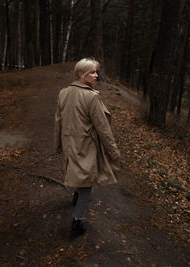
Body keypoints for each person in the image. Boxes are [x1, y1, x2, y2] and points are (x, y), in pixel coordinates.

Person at [54, 57, 121, 237]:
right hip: (85, 146)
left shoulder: (63, 92)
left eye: (96, 71)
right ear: (82, 74)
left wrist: (58, 144)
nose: (96, 75)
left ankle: (76, 196)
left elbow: (58, 122)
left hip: (70, 143)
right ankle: (77, 222)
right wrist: (113, 152)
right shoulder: (91, 97)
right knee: (88, 186)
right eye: (92, 72)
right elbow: (103, 129)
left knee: (79, 175)